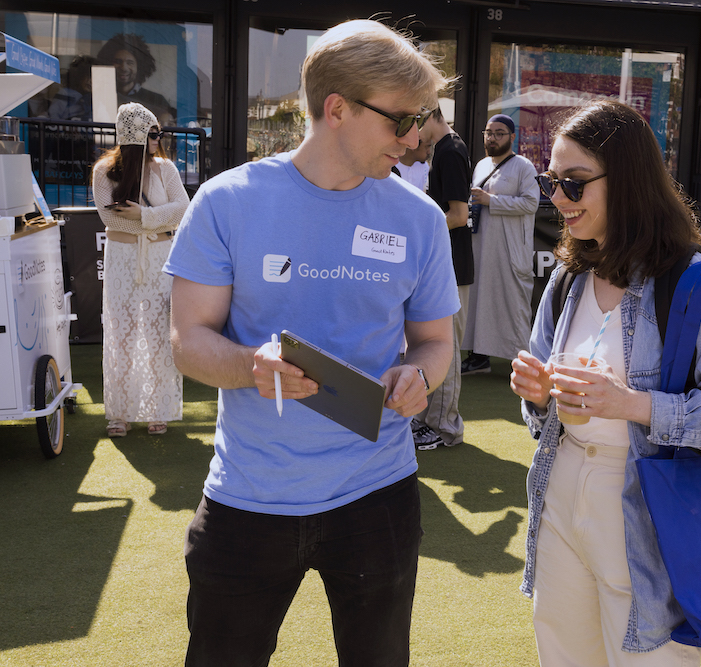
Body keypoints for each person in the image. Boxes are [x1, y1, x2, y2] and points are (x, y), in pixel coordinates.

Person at [163, 20, 458, 665]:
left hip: (378, 493)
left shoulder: (420, 219)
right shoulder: (226, 202)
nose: (414, 139)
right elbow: (188, 341)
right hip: (248, 496)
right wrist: (251, 364)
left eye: (421, 121)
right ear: (337, 109)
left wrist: (420, 376)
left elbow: (435, 341)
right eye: (402, 120)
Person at [509, 100, 701, 666]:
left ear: (627, 180)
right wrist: (537, 393)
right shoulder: (567, 279)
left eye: (574, 183)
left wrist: (632, 404)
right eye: (552, 181)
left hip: (649, 503)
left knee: (651, 658)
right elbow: (542, 414)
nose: (558, 198)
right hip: (561, 483)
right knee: (563, 653)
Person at [92, 102, 188, 437]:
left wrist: (143, 217)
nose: (159, 139)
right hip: (121, 256)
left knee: (159, 330)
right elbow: (110, 218)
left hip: (160, 256)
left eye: (158, 133)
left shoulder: (165, 168)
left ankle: (158, 409)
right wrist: (150, 221)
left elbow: (183, 209)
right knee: (122, 332)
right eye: (152, 133)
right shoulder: (104, 171)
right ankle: (119, 413)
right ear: (134, 136)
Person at [410, 106, 471, 450]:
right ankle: (430, 421)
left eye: (415, 121)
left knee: (446, 347)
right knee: (434, 343)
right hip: (444, 261)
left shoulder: (450, 150)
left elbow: (459, 215)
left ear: (430, 115)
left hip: (454, 263)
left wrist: (421, 231)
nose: (412, 131)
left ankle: (444, 426)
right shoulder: (445, 149)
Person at [462, 114, 540, 375]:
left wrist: (491, 200)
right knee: (479, 301)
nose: (492, 138)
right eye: (488, 133)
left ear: (512, 137)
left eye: (499, 133)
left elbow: (531, 203)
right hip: (480, 247)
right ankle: (478, 356)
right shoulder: (481, 165)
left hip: (509, 250)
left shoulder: (524, 167)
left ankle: (523, 363)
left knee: (513, 303)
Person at [96, 33, 175, 126]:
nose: (124, 68)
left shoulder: (157, 100)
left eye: (130, 63)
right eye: (118, 62)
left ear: (140, 68)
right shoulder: (99, 97)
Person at [47, 55, 96, 121]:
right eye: (87, 76)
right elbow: (53, 116)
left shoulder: (97, 99)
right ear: (79, 76)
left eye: (93, 77)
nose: (90, 81)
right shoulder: (65, 94)